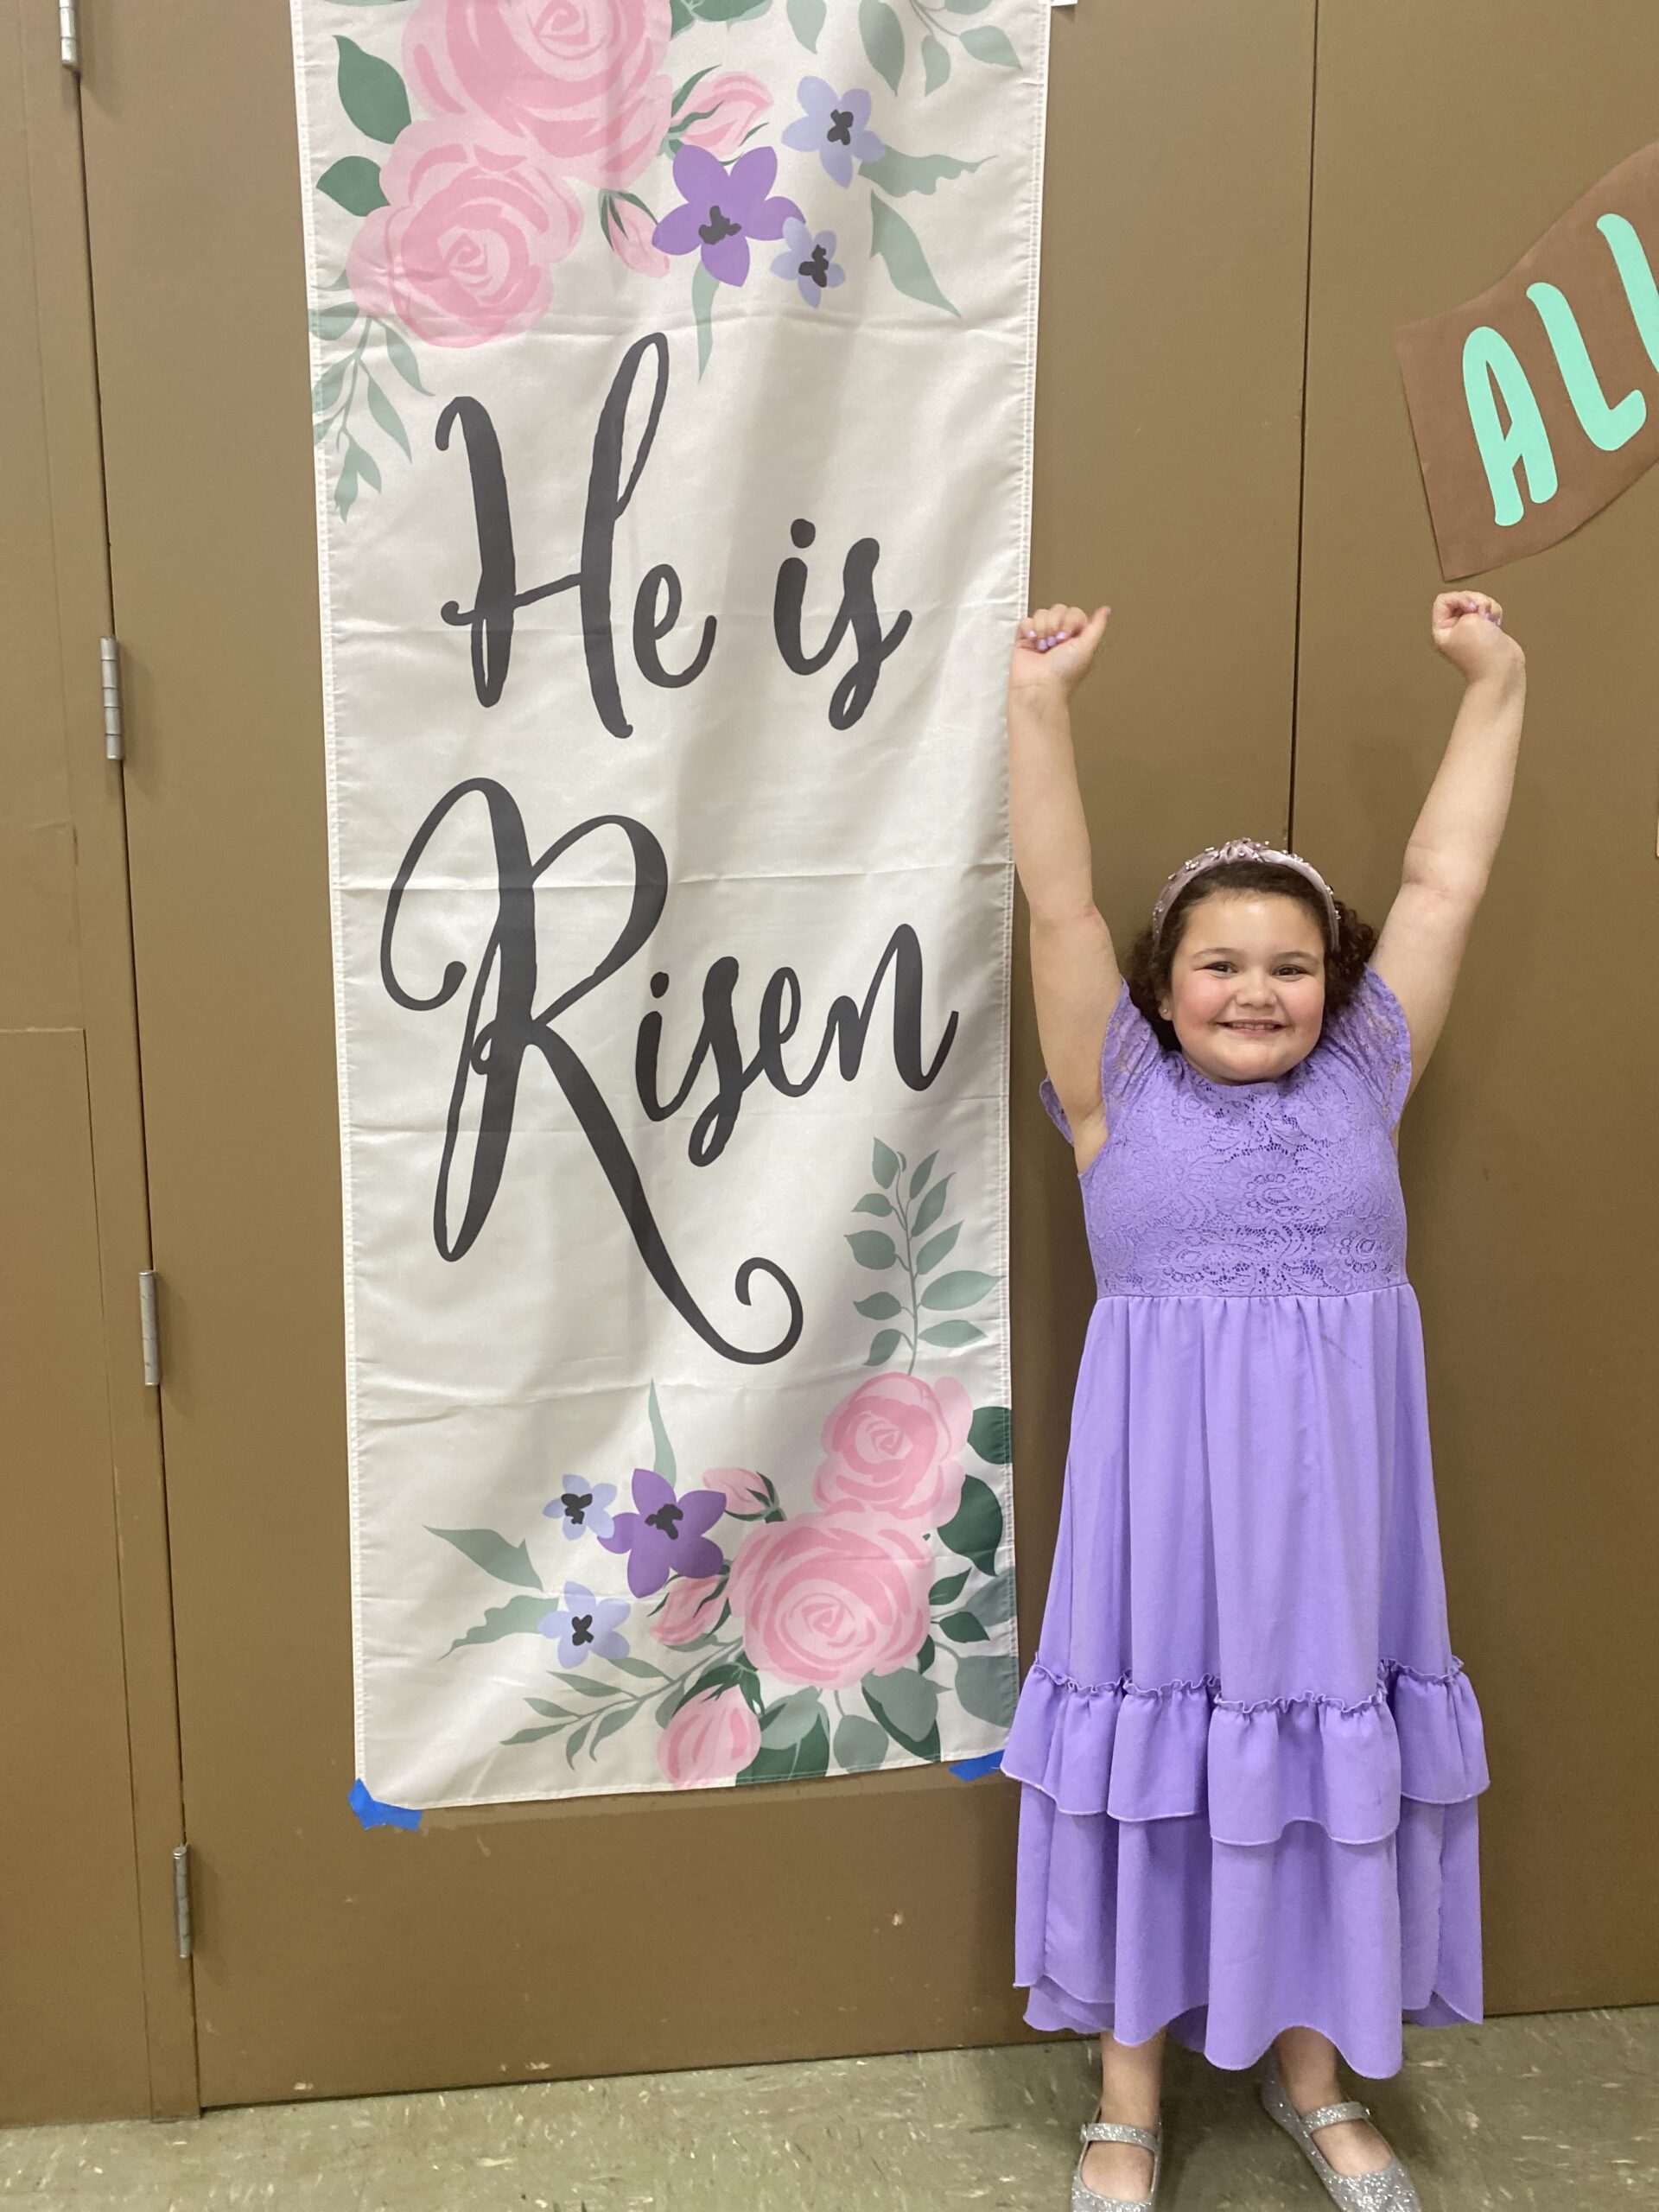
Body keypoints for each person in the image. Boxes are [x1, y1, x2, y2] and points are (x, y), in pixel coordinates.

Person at [1001, 591, 1527, 2211]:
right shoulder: (1112, 1086)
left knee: (1312, 1753)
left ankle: (1317, 2076)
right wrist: (1040, 704)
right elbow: (1059, 895)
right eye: (1219, 963)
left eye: (1292, 965)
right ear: (1161, 989)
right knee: (1160, 1742)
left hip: (1334, 1512)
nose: (1256, 988)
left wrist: (1495, 681)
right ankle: (1127, 2098)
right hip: (1165, 1508)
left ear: (1336, 989)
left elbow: (1444, 880)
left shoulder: (1369, 1074)